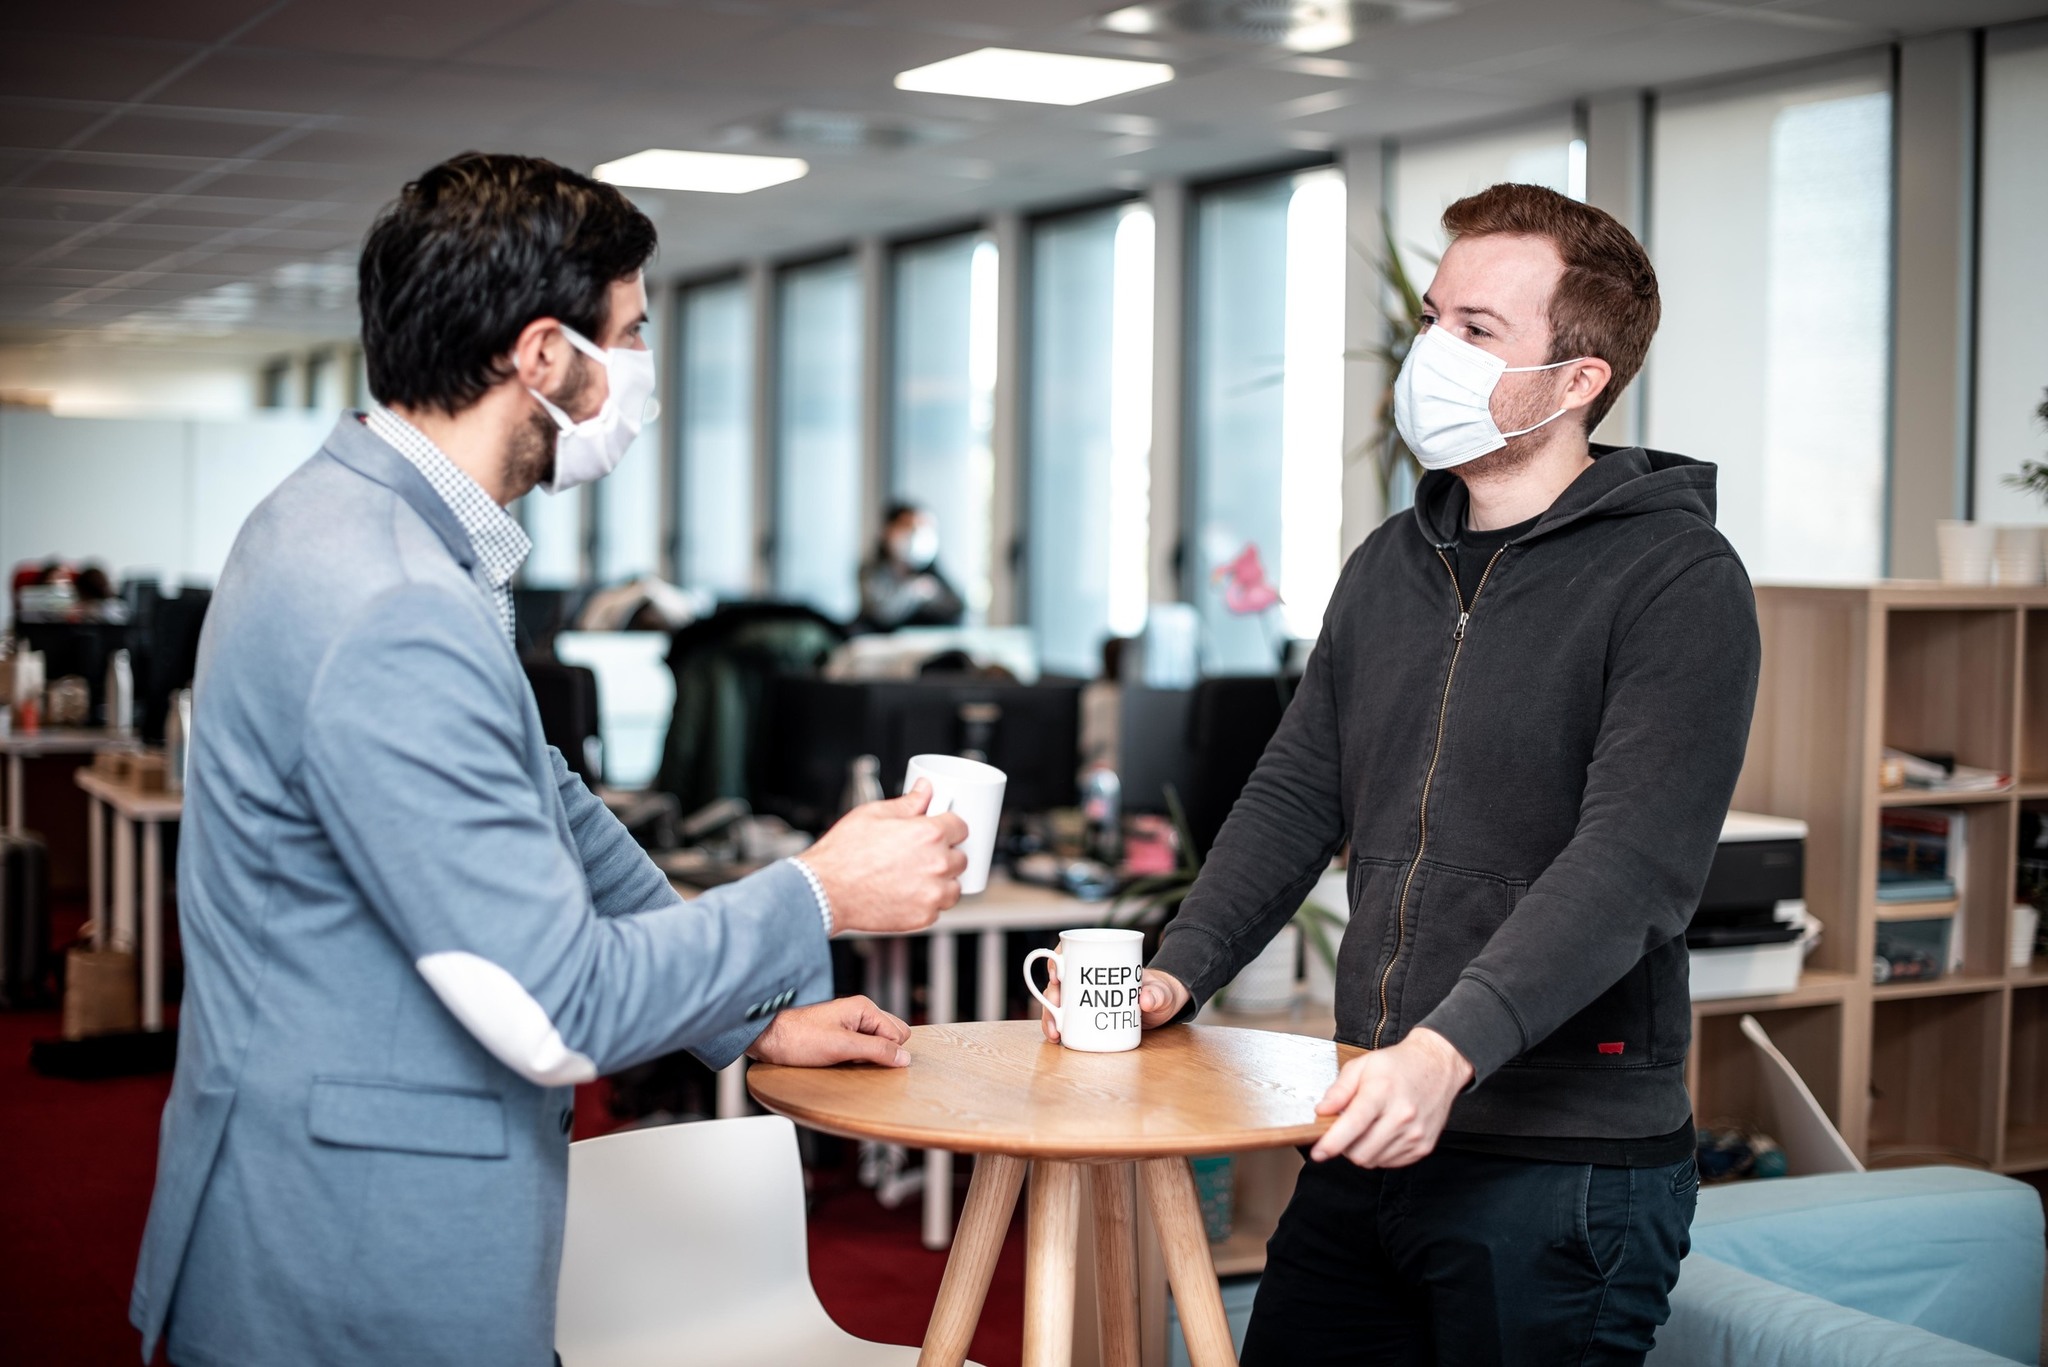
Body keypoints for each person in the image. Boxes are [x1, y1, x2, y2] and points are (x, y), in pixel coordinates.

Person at [130, 153, 971, 1367]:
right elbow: (552, 1008)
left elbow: (552, 799)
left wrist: (749, 1012)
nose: (639, 371)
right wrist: (817, 892)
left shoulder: (368, 525)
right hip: (354, 1255)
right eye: (627, 335)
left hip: (331, 1203)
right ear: (541, 355)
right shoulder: (391, 598)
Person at [1042, 183, 1760, 1364]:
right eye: (1432, 317)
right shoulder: (1391, 560)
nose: (1431, 351)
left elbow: (1630, 866)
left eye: (1476, 328)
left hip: (1557, 1164)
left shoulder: (1675, 577)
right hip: (1367, 1124)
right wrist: (1175, 972)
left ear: (1576, 379)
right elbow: (1294, 792)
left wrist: (1446, 1048)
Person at [857, 501, 965, 630]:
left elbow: (957, 608)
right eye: (908, 527)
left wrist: (932, 596)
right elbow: (880, 614)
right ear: (887, 530)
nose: (916, 535)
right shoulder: (871, 570)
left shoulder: (931, 569)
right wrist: (913, 592)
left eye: (924, 528)